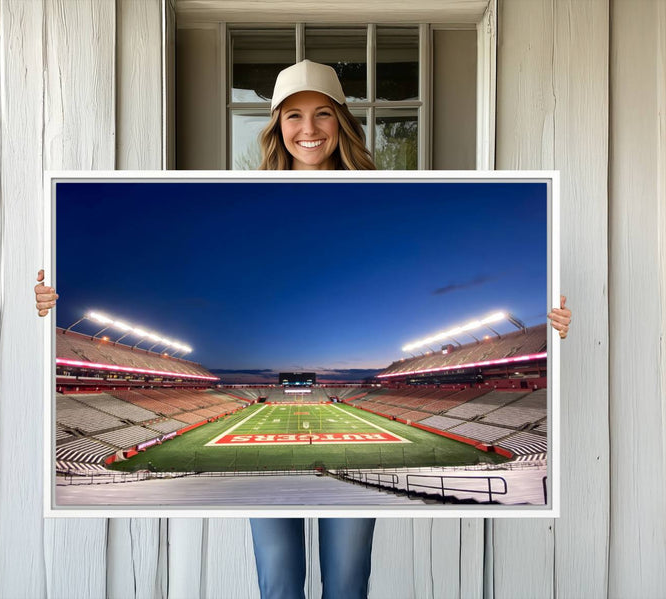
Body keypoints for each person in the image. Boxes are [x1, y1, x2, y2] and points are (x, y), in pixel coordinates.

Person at [34, 59, 573, 599]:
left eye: (322, 114)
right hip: (266, 487)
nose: (308, 129)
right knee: (279, 583)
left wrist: (555, 328)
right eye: (293, 116)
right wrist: (43, 308)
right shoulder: (246, 198)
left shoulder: (379, 194)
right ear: (276, 126)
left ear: (342, 121)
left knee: (346, 583)